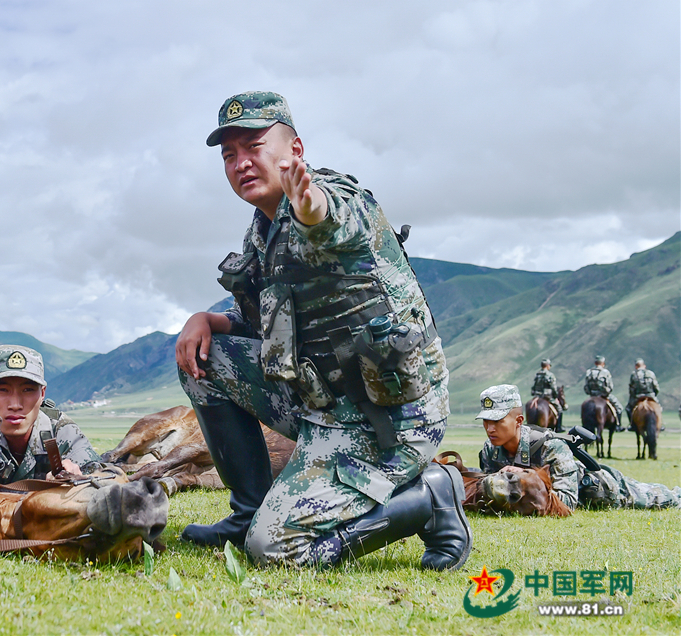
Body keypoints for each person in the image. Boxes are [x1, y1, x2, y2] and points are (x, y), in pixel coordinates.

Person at [174, 91, 470, 570]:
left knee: (274, 550)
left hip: (387, 420)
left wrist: (308, 202)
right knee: (204, 359)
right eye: (230, 155)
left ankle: (430, 498)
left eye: (254, 146)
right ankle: (247, 510)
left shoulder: (334, 198)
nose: (241, 163)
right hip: (322, 405)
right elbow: (260, 325)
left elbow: (329, 221)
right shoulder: (260, 232)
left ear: (295, 151)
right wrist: (205, 320)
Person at [477, 384, 680, 510]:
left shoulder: (550, 446)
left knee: (658, 497)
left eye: (497, 421)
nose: (489, 428)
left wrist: (523, 477)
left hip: (601, 491)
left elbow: (567, 501)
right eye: (486, 421)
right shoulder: (489, 450)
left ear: (519, 420)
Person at [0, 345, 99, 483]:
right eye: (3, 390)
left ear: (42, 394)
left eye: (28, 390)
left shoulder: (61, 430)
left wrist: (76, 476)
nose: (15, 405)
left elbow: (104, 477)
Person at [584, 355, 624, 430]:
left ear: (595, 363)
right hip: (604, 396)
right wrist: (606, 393)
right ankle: (618, 425)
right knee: (619, 408)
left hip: (592, 396)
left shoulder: (589, 372)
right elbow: (610, 386)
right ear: (603, 363)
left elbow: (586, 386)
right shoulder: (605, 372)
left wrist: (590, 393)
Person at [530, 358, 562, 429]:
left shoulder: (537, 374)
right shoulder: (550, 375)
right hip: (547, 397)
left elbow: (534, 386)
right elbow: (553, 387)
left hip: (537, 396)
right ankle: (559, 427)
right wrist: (555, 396)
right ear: (547, 366)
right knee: (559, 409)